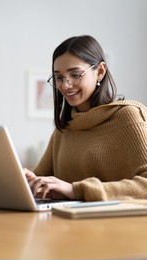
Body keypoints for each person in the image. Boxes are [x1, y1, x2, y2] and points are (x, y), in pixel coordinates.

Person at [24, 35, 147, 202]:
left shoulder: (128, 116)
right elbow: (39, 180)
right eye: (59, 77)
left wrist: (76, 190)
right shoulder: (64, 130)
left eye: (75, 74)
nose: (65, 85)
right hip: (67, 224)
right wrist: (25, 181)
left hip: (117, 226)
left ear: (100, 72)